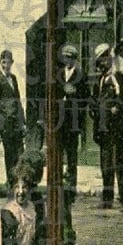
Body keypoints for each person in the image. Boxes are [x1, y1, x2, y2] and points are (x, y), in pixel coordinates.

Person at [90, 43, 123, 211]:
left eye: (105, 58)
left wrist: (118, 108)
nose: (103, 63)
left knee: (119, 164)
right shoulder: (100, 79)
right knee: (105, 165)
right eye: (100, 60)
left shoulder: (120, 78)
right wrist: (94, 110)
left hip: (117, 128)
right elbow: (96, 100)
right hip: (103, 128)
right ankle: (107, 199)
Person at [53, 44, 89, 199]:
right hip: (60, 120)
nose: (67, 61)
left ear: (74, 60)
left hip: (73, 121)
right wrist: (62, 91)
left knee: (72, 155)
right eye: (65, 58)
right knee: (59, 152)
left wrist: (74, 95)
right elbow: (54, 92)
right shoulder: (59, 74)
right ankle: (60, 186)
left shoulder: (81, 75)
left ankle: (72, 187)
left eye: (70, 58)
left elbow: (85, 98)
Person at [0, 49, 26, 189]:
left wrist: (23, 122)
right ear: (0, 63)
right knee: (10, 155)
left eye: (9, 62)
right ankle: (10, 183)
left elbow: (17, 101)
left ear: (12, 63)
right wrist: (1, 124)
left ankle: (18, 182)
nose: (6, 65)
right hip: (7, 126)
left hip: (17, 124)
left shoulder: (13, 79)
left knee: (20, 154)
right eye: (3, 62)